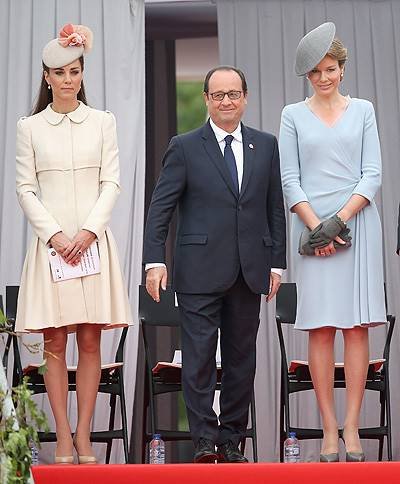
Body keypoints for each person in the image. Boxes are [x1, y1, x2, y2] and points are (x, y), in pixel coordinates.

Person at [143, 66, 286, 463]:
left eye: (234, 94)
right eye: (219, 94)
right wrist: (154, 259)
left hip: (249, 269)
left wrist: (277, 263)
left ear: (245, 97)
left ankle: (231, 441)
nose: (227, 101)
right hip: (198, 269)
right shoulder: (185, 146)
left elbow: (275, 208)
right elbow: (161, 208)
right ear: (206, 99)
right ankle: (205, 440)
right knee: (200, 357)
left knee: (242, 360)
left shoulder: (266, 145)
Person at [15, 24, 132, 464]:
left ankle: (84, 435)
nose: (68, 79)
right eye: (59, 72)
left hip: (92, 244)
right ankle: (61, 435)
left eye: (75, 71)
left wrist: (88, 232)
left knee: (89, 342)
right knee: (55, 342)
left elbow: (112, 181)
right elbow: (25, 189)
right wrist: (56, 236)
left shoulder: (103, 122)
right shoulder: (30, 128)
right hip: (51, 248)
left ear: (83, 74)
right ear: (46, 77)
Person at [279, 22, 386, 462]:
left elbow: (373, 173)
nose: (323, 78)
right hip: (310, 229)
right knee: (321, 328)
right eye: (315, 73)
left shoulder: (363, 109)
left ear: (342, 69)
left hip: (356, 225)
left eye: (330, 69)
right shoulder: (292, 114)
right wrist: (315, 227)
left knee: (355, 327)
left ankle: (353, 426)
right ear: (308, 77)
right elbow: (290, 178)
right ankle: (327, 427)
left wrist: (337, 222)